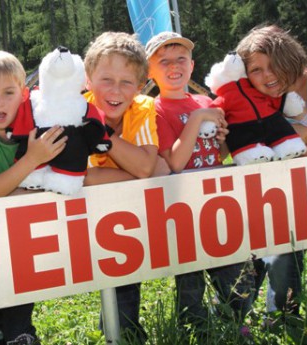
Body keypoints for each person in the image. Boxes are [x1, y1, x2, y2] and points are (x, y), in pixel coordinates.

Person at [235, 24, 307, 321]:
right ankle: (235, 321)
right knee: (248, 256)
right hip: (260, 192)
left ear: (289, 57)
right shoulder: (248, 96)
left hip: (305, 192)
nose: (267, 76)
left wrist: (294, 145)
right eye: (255, 69)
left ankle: (283, 320)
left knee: (287, 255)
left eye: (273, 65)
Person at [145, 31, 255, 336]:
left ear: (192, 65)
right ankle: (196, 330)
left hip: (218, 202)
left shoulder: (205, 101)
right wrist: (198, 118)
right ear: (150, 72)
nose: (173, 66)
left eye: (180, 59)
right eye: (163, 61)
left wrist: (223, 141)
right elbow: (175, 163)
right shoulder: (154, 110)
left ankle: (237, 325)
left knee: (234, 273)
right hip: (183, 207)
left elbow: (218, 154)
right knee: (189, 280)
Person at [0, 50, 66, 344]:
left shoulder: (37, 131)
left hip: (25, 249)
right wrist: (32, 159)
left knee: (19, 327)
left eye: (8, 92)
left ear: (23, 95)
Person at [83, 31, 170, 344]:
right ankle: (119, 333)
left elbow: (146, 166)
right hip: (84, 219)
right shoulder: (75, 110)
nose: (116, 91)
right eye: (106, 79)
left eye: (126, 82)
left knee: (126, 276)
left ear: (141, 85)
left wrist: (103, 133)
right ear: (88, 78)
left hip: (128, 218)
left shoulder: (143, 108)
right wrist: (138, 170)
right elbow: (85, 179)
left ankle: (124, 332)